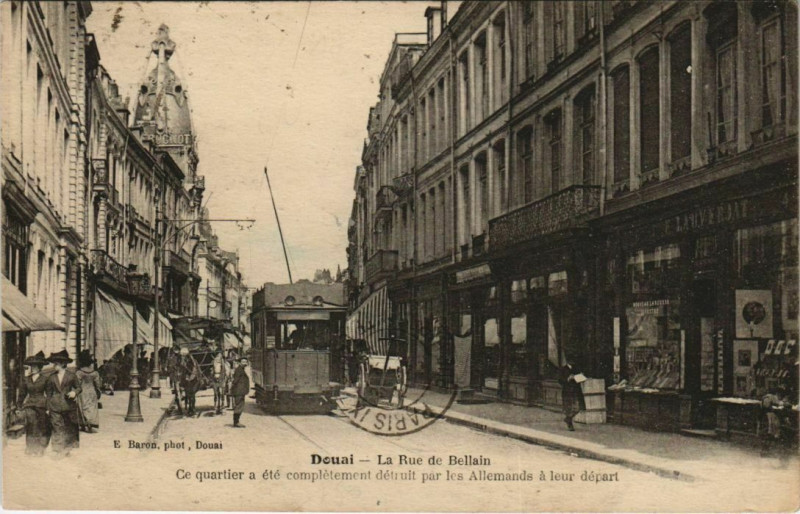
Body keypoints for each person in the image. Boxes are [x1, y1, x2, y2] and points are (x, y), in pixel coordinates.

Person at [45, 350, 82, 456]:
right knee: (57, 427)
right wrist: (48, 407)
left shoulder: (71, 375)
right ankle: (57, 450)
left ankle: (67, 448)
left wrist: (74, 392)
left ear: (62, 364)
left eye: (56, 363)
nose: (54, 366)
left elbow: (79, 388)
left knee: (68, 427)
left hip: (68, 405)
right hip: (54, 406)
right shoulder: (51, 377)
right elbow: (48, 394)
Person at [17, 351, 52, 456]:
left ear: (39, 367)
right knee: (31, 426)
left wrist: (49, 407)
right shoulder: (26, 379)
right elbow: (22, 394)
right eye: (31, 366)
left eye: (35, 366)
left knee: (42, 426)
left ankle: (41, 448)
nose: (33, 368)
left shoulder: (45, 379)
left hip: (42, 405)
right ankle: (31, 448)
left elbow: (49, 394)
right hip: (30, 405)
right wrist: (19, 406)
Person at [75, 350, 102, 432]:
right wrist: (98, 392)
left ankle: (83, 424)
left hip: (82, 392)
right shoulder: (95, 373)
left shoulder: (79, 373)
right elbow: (98, 384)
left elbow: (77, 384)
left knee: (81, 407)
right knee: (91, 408)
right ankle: (90, 422)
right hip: (92, 392)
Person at [558, 355, 584, 431]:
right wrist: (568, 379)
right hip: (567, 392)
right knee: (569, 408)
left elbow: (580, 378)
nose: (572, 363)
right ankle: (570, 424)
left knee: (578, 408)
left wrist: (580, 377)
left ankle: (568, 419)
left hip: (576, 391)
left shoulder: (576, 368)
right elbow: (560, 380)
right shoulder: (563, 369)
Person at [230, 357, 250, 428]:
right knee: (238, 406)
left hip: (240, 391)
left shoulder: (241, 369)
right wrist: (232, 390)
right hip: (238, 392)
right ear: (240, 363)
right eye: (243, 362)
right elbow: (235, 381)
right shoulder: (239, 370)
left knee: (239, 406)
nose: (244, 363)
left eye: (245, 362)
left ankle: (237, 422)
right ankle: (236, 422)